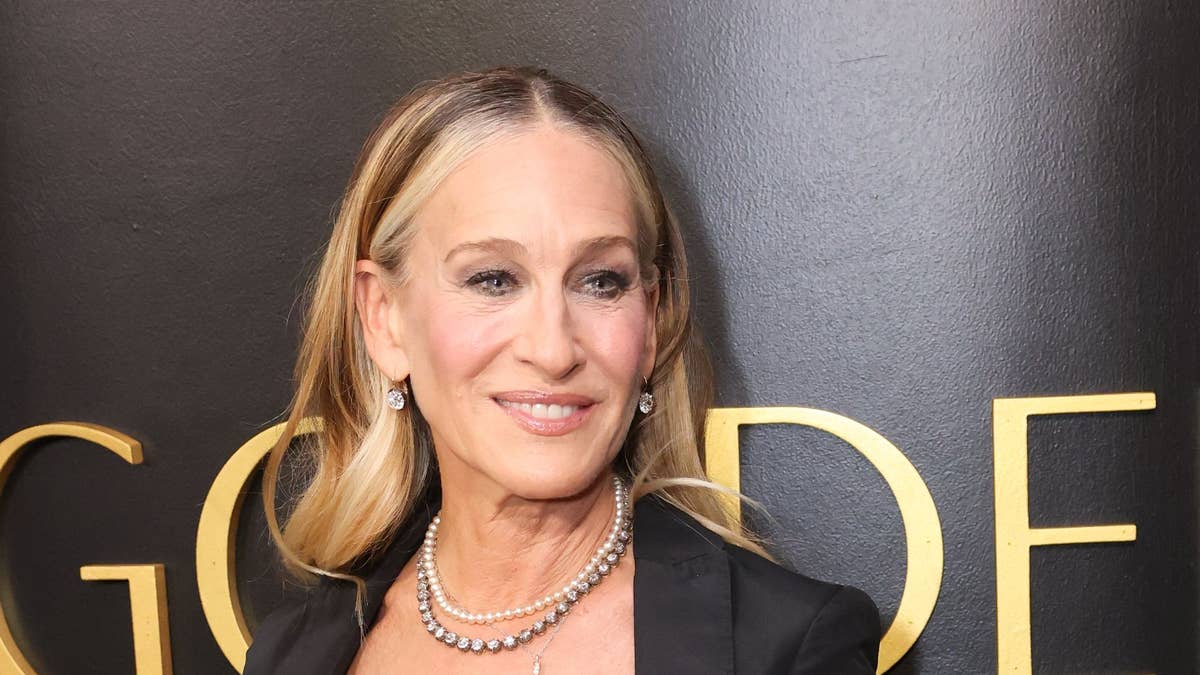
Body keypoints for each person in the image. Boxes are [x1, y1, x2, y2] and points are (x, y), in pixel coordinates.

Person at [244, 65, 881, 674]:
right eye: (493, 279)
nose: (553, 351)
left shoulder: (787, 650)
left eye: (601, 281)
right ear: (384, 317)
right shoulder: (289, 653)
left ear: (652, 323)